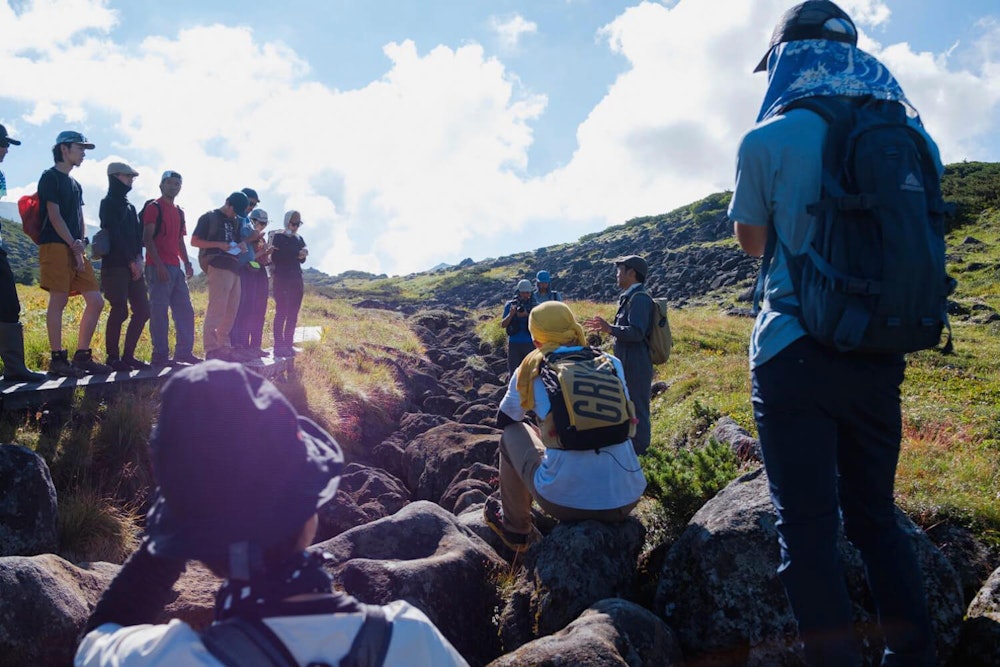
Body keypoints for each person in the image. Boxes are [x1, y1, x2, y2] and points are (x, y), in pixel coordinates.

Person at [729, 2, 936, 664]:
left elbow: (752, 241)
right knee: (876, 518)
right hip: (880, 354)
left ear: (784, 58)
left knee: (809, 535)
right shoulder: (913, 137)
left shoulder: (769, 139)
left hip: (794, 352)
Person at [75, 360, 468, 666]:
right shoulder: (411, 638)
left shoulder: (163, 658)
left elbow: (96, 640)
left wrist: (161, 545)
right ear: (308, 516)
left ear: (194, 545)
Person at [484, 301, 647, 552]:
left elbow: (506, 420)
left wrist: (543, 429)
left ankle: (516, 529)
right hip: (628, 496)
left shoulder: (530, 369)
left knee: (511, 435)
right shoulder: (611, 362)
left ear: (536, 338)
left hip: (566, 503)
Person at [37, 130, 110, 378]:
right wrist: (73, 244)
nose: (83, 154)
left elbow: (79, 219)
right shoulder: (50, 177)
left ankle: (81, 356)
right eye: (80, 148)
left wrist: (81, 245)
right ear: (64, 149)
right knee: (59, 301)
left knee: (96, 300)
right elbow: (54, 216)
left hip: (73, 248)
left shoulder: (75, 184)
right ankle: (58, 360)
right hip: (55, 246)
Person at [584, 255, 654, 455]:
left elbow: (637, 332)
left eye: (619, 270)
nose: (616, 275)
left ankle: (640, 453)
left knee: (638, 406)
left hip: (636, 363)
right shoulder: (630, 297)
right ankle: (629, 448)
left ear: (631, 273)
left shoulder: (639, 299)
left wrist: (609, 329)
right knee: (627, 404)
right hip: (628, 362)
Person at [0, 123, 46, 382]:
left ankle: (15, 369)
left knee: (8, 305)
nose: (6, 149)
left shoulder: (0, 175)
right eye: (3, 144)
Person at [142, 170, 200, 367]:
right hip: (157, 266)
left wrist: (187, 262)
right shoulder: (154, 207)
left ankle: (183, 353)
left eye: (177, 184)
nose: (174, 186)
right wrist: (158, 265)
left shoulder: (179, 211)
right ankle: (160, 355)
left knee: (185, 310)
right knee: (159, 312)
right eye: (170, 183)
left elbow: (179, 240)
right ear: (161, 185)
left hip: (175, 267)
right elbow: (147, 238)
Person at [98, 162, 150, 372]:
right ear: (115, 177)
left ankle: (128, 356)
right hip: (115, 266)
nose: (131, 181)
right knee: (119, 310)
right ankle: (113, 358)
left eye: (132, 177)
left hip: (132, 266)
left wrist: (139, 259)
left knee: (143, 310)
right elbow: (115, 234)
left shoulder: (130, 207)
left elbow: (137, 237)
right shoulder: (107, 203)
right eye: (127, 176)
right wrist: (131, 260)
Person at [191, 192, 249, 362]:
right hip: (217, 265)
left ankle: (224, 346)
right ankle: (211, 348)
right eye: (234, 210)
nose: (235, 214)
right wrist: (219, 245)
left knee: (231, 309)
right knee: (217, 307)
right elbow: (194, 241)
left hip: (234, 267)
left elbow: (237, 241)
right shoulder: (209, 218)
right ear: (227, 203)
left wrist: (242, 246)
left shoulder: (236, 221)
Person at [230, 187, 266, 359]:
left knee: (248, 309)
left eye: (253, 204)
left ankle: (243, 344)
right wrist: (254, 236)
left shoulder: (246, 220)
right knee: (239, 308)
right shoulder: (237, 219)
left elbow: (250, 245)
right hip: (239, 269)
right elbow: (239, 240)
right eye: (249, 203)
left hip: (250, 268)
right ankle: (235, 344)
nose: (251, 206)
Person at [271, 210, 307, 357]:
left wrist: (302, 254)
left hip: (296, 279)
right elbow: (277, 257)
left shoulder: (299, 238)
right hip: (282, 279)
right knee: (282, 312)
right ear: (287, 222)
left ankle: (288, 344)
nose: (295, 227)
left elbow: (302, 258)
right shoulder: (278, 236)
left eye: (298, 224)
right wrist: (296, 254)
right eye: (293, 224)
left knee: (293, 313)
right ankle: (278, 346)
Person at [500, 279, 536, 377]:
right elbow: (503, 324)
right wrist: (511, 315)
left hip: (530, 343)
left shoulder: (535, 305)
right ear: (519, 292)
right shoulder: (510, 305)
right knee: (514, 373)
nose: (526, 295)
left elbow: (540, 324)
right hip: (514, 343)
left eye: (528, 292)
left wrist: (527, 315)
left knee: (532, 372)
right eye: (523, 293)